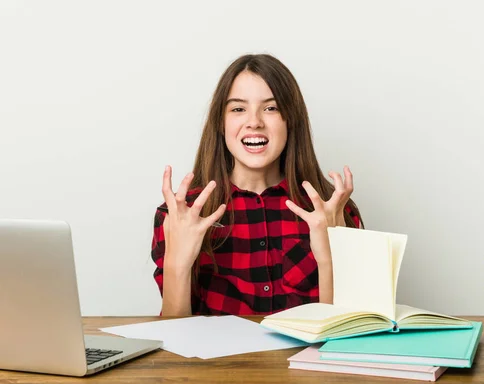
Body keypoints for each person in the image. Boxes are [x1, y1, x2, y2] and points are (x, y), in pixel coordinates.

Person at [151, 54, 363, 316]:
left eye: (271, 108)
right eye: (238, 109)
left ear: (291, 120)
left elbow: (346, 334)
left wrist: (330, 255)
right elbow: (174, 338)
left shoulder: (334, 211)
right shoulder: (181, 214)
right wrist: (177, 264)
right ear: (221, 122)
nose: (254, 122)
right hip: (217, 359)